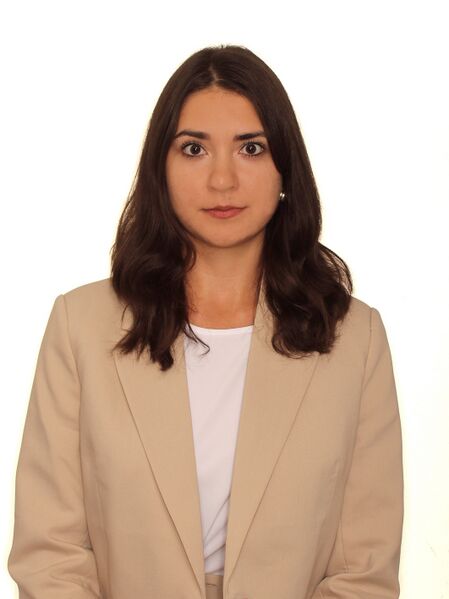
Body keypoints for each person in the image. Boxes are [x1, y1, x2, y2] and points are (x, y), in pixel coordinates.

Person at [7, 44, 404, 599]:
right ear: (161, 170)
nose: (222, 180)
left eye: (251, 148)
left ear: (285, 168)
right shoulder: (80, 326)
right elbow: (50, 555)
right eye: (194, 149)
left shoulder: (355, 339)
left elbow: (364, 568)